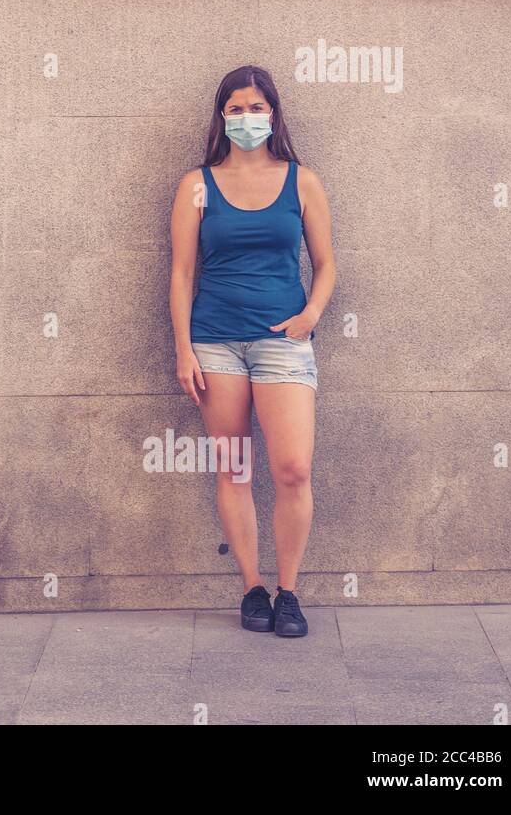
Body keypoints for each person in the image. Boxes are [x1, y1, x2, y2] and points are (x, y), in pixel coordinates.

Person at [169, 65, 335, 638]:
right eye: (235, 108)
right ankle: (251, 589)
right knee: (235, 467)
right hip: (215, 342)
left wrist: (310, 316)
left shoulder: (302, 180)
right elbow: (182, 272)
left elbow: (327, 263)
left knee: (292, 469)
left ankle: (289, 592)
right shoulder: (197, 184)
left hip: (283, 342)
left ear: (274, 114)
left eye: (256, 107)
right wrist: (183, 348)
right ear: (222, 116)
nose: (246, 118)